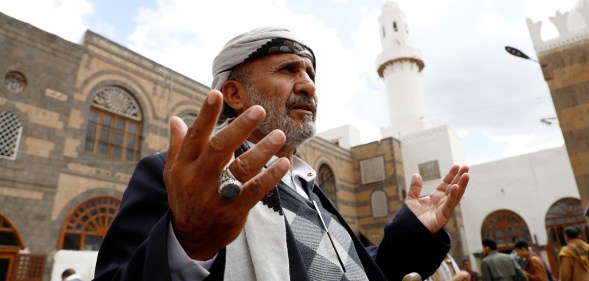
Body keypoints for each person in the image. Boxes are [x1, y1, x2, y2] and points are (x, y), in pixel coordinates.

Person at [94, 26, 470, 281]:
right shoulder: (176, 177)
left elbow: (350, 272)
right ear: (235, 94)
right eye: (288, 69)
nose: (307, 84)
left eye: (310, 73)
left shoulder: (309, 189)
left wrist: (413, 233)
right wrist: (188, 243)